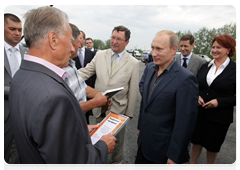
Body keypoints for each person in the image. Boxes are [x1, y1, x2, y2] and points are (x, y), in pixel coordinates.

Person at [9, 6, 116, 170]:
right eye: (70, 41)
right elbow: (76, 165)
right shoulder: (52, 97)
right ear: (53, 39)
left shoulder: (21, 75)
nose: (74, 48)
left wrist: (77, 130)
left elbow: (42, 133)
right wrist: (102, 146)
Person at [135, 30, 198, 170]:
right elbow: (145, 103)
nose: (154, 53)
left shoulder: (186, 79)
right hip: (144, 144)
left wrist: (175, 154)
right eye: (152, 48)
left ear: (174, 49)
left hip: (164, 151)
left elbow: (185, 121)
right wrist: (140, 126)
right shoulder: (149, 68)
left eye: (159, 49)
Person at [78, 25, 139, 170]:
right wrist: (65, 75)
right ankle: (99, 161)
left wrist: (129, 113)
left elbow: (134, 90)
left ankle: (117, 163)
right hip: (100, 107)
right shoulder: (100, 55)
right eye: (113, 37)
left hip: (119, 109)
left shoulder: (133, 63)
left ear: (127, 42)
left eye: (119, 39)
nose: (114, 41)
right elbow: (86, 72)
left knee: (118, 140)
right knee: (98, 135)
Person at [189, 34, 238, 170]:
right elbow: (197, 86)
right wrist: (197, 96)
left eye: (219, 47)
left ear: (229, 49)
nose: (214, 50)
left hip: (220, 117)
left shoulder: (236, 70)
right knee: (196, 142)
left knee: (213, 146)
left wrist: (219, 102)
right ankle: (192, 167)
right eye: (213, 47)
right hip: (200, 113)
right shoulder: (205, 66)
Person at [63, 23, 112, 113]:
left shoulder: (70, 64)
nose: (80, 46)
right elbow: (64, 111)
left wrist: (101, 95)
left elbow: (82, 87)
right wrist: (93, 103)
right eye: (78, 42)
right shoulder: (55, 70)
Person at [4, 13, 28, 170]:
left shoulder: (28, 52)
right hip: (4, 112)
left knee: (26, 153)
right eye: (12, 29)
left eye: (20, 30)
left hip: (26, 113)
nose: (17, 33)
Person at [72, 30, 96, 124]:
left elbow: (93, 71)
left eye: (80, 38)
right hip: (75, 89)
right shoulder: (71, 54)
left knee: (87, 115)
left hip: (89, 88)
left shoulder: (92, 54)